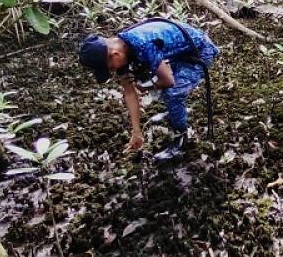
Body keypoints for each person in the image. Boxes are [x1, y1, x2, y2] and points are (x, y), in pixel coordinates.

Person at [78, 18, 218, 163]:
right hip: (177, 53)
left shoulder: (142, 45)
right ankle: (175, 113)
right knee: (150, 80)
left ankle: (181, 139)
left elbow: (168, 81)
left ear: (115, 54)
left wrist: (144, 86)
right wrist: (136, 131)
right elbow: (129, 92)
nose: (113, 71)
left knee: (172, 93)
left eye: (111, 68)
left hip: (200, 50)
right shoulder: (121, 47)